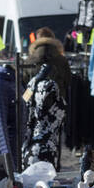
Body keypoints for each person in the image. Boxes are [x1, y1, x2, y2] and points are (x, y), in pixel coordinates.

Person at [22, 27, 72, 168]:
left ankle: (33, 163)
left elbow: (23, 84)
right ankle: (54, 164)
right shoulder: (61, 60)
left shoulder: (29, 60)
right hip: (56, 107)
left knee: (33, 134)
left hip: (34, 107)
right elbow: (68, 81)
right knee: (55, 136)